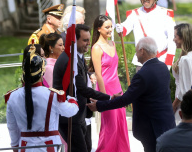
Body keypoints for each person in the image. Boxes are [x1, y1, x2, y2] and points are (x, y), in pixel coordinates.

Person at [87, 37, 176, 152]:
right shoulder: (163, 67)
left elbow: (126, 100)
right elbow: (149, 94)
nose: (136, 54)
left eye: (136, 51)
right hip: (165, 123)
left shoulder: (143, 74)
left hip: (151, 127)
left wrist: (99, 105)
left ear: (142, 51)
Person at [53, 24, 119, 152]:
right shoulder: (69, 60)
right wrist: (109, 97)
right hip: (69, 118)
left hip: (80, 115)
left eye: (89, 39)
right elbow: (82, 88)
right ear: (74, 40)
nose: (89, 43)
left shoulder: (78, 56)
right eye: (85, 40)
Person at [5, 43, 79, 152]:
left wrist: (15, 147)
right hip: (49, 147)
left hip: (24, 147)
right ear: (42, 71)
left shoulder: (12, 97)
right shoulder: (53, 95)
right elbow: (71, 111)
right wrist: (72, 100)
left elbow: (12, 128)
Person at [116, 0, 176, 70]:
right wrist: (119, 27)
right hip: (141, 61)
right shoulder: (135, 14)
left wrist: (169, 61)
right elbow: (124, 29)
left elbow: (172, 39)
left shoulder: (165, 14)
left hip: (161, 59)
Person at [89, 15, 130, 152]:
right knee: (110, 125)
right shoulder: (96, 48)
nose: (110, 29)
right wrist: (105, 96)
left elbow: (114, 68)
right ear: (99, 29)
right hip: (106, 88)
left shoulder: (113, 44)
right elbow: (98, 74)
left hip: (117, 87)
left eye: (111, 26)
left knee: (121, 123)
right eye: (107, 27)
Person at [172, 23, 192, 124]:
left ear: (183, 38)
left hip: (183, 106)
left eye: (175, 36)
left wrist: (173, 106)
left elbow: (184, 90)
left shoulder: (185, 59)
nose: (173, 39)